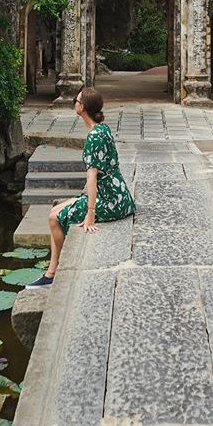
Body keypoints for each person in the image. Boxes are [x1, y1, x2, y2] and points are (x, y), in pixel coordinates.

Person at [27, 87, 136, 288]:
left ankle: (52, 274)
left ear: (82, 107)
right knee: (57, 208)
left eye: (76, 101)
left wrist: (90, 213)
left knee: (53, 218)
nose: (74, 103)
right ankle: (51, 270)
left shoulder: (94, 137)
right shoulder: (103, 129)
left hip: (110, 202)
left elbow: (92, 177)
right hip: (120, 196)